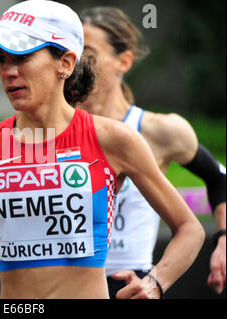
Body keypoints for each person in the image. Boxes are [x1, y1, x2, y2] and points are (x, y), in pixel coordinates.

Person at [0, 0, 204, 299]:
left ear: (66, 63)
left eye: (22, 56)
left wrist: (156, 282)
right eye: (1, 59)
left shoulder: (113, 140)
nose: (8, 71)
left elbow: (190, 229)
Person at [79, 6, 226, 298]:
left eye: (90, 53)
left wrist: (223, 239)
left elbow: (219, 177)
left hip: (130, 284)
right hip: (69, 286)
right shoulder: (57, 132)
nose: (78, 63)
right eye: (71, 53)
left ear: (124, 61)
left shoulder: (159, 131)